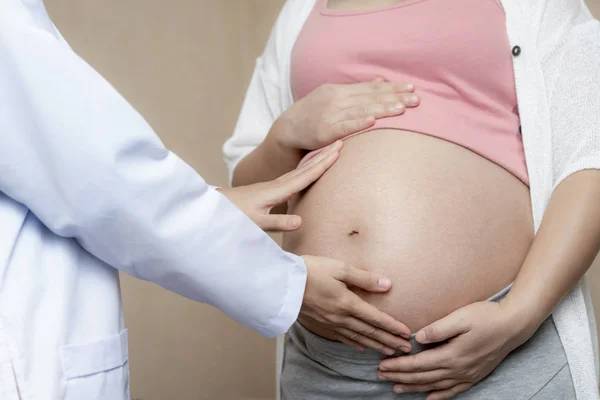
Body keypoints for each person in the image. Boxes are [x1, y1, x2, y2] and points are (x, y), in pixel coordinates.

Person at [0, 1, 423, 398]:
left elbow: (81, 171)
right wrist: (285, 283)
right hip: (328, 362)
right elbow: (95, 174)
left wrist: (215, 206)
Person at [224, 0, 600, 399]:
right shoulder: (300, 11)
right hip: (327, 365)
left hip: (497, 352)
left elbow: (589, 155)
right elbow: (246, 200)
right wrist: (285, 135)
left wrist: (517, 316)